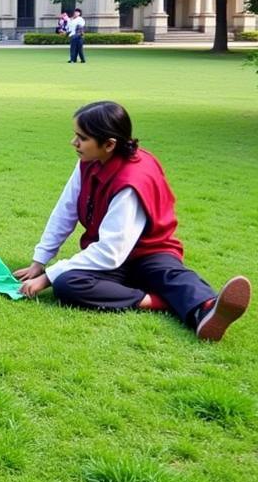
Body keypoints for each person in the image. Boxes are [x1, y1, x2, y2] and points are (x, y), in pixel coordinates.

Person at [14, 101, 250, 341]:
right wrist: (39, 262)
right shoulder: (88, 161)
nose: (74, 142)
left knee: (169, 275)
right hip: (111, 260)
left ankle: (206, 309)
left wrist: (47, 277)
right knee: (67, 284)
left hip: (150, 253)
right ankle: (161, 301)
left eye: (82, 138)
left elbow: (111, 251)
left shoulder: (131, 180)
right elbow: (65, 210)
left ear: (109, 144)